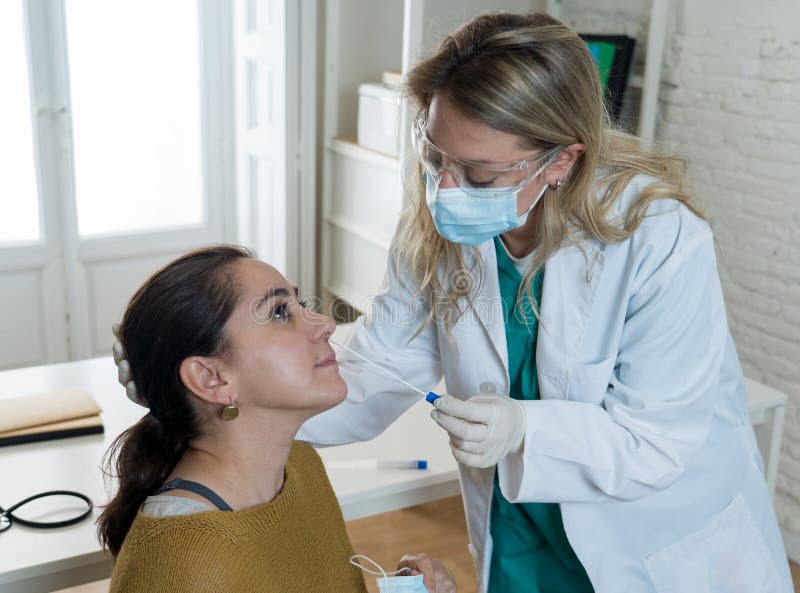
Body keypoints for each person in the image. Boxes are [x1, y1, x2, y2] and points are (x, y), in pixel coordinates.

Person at [115, 11, 793, 593]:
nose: (448, 189)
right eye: (437, 159)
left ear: (560, 161)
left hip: (655, 546)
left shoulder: (658, 238)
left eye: (479, 173)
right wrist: (185, 384)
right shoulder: (437, 232)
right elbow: (375, 371)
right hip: (523, 536)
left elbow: (657, 440)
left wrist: (528, 428)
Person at [100, 246, 456, 593]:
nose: (327, 324)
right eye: (280, 313)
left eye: (298, 305)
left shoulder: (300, 468)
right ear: (211, 378)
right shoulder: (182, 566)